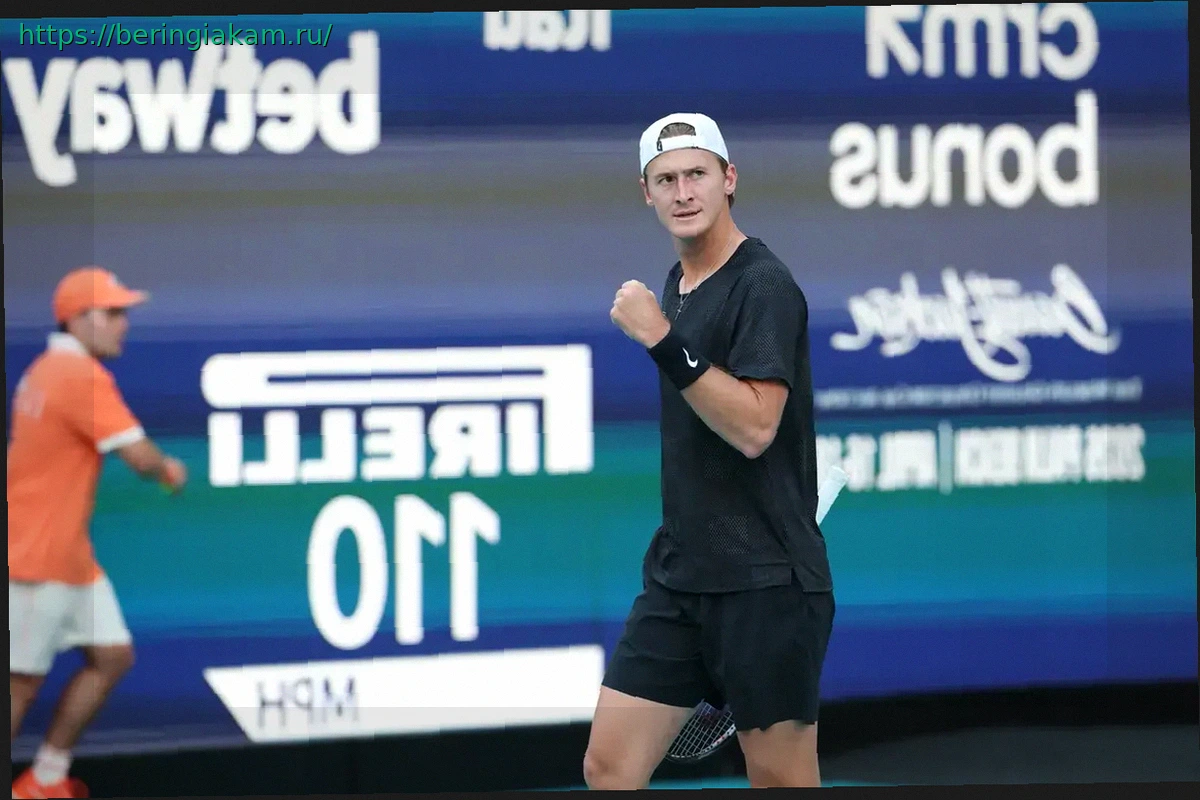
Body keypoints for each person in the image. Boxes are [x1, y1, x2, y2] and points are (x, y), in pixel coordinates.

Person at [584, 113, 835, 789]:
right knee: (608, 767)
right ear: (647, 193)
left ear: (729, 180)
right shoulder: (678, 282)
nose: (683, 191)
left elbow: (756, 427)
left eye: (696, 173)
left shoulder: (764, 286)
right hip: (681, 579)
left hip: (767, 585)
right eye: (666, 179)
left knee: (781, 781)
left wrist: (663, 341)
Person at [9, 266, 188, 799]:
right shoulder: (79, 377)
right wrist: (168, 469)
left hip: (70, 557)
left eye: (122, 312)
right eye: (112, 313)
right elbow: (140, 457)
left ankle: (44, 780)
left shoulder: (45, 370)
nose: (123, 324)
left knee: (112, 656)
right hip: (37, 556)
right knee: (20, 685)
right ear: (77, 320)